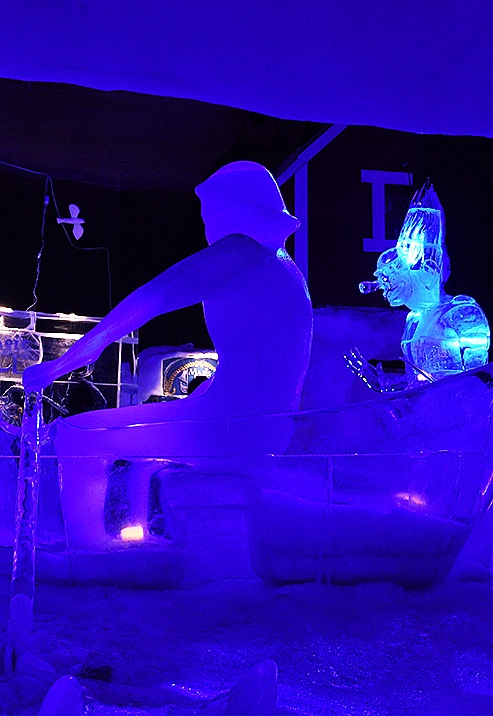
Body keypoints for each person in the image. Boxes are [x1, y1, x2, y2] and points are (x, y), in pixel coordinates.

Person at [21, 162, 310, 546]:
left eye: (211, 213)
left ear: (236, 210)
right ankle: (144, 540)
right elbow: (262, 363)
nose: (206, 224)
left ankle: (88, 551)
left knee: (77, 437)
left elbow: (149, 299)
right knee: (143, 449)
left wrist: (66, 361)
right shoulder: (284, 267)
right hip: (265, 426)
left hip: (232, 427)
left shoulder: (241, 252)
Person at [345, 182, 489, 389]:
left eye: (393, 273)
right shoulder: (413, 321)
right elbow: (416, 384)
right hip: (427, 407)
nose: (383, 286)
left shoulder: (461, 311)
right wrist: (384, 383)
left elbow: (476, 379)